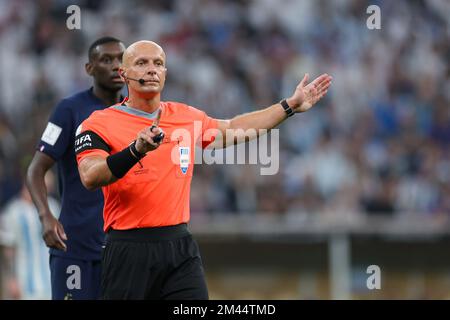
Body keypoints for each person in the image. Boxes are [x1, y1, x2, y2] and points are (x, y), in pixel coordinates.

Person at [75, 40, 332, 299]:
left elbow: (233, 128)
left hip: (179, 247)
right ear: (124, 75)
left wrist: (288, 107)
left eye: (158, 64)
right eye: (141, 63)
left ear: (165, 73)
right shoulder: (99, 123)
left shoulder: (185, 116)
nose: (151, 69)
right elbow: (90, 175)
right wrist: (135, 150)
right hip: (127, 249)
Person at [26, 36, 126, 300]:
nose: (116, 66)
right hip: (76, 247)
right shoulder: (70, 110)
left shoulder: (137, 112)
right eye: (107, 59)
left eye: (121, 59)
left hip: (125, 250)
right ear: (89, 68)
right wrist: (45, 214)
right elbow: (36, 169)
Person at [0, 172, 59, 300]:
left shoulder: (53, 207)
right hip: (25, 282)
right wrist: (12, 279)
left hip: (50, 281)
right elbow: (8, 251)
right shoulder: (13, 211)